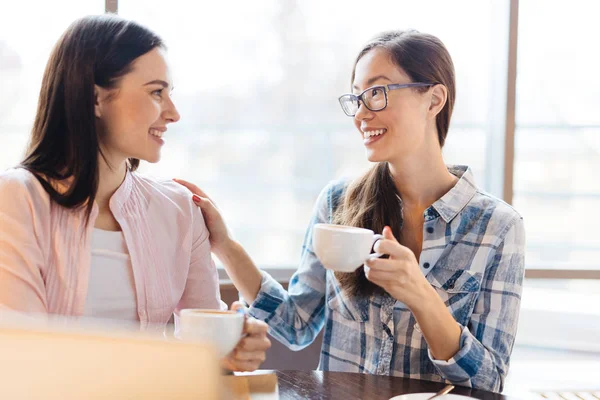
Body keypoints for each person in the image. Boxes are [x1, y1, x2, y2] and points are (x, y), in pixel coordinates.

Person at [176, 30, 525, 392]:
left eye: (376, 93)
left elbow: (489, 381)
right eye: (357, 97)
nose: (360, 113)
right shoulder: (337, 202)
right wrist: (225, 245)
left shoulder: (497, 227)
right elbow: (295, 324)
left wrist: (420, 295)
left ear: (434, 99)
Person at [0, 14, 270, 372]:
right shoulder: (17, 199)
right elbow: (23, 361)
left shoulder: (180, 210)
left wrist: (228, 351)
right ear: (94, 98)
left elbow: (205, 355)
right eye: (156, 92)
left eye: (169, 94)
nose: (173, 113)